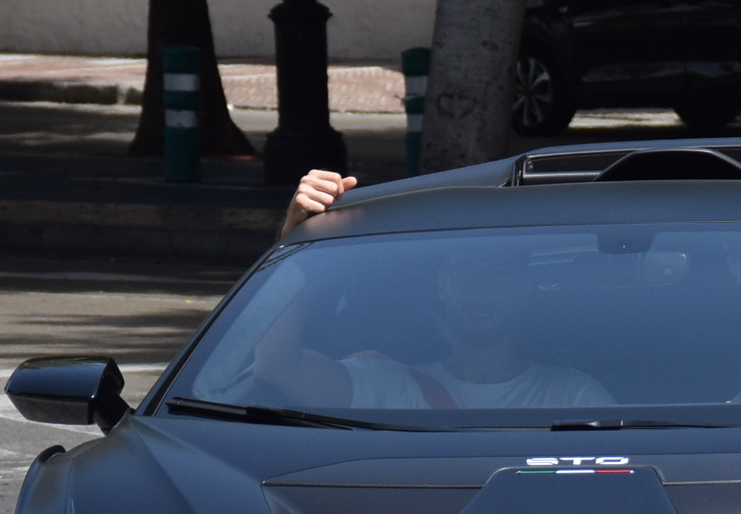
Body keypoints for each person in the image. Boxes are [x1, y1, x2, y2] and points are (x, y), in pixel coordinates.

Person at [256, 172, 610, 410]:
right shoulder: (391, 384)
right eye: (468, 270)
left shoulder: (573, 396)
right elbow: (277, 368)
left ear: (525, 287)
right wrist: (294, 242)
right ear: (443, 285)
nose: (482, 286)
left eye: (499, 272)